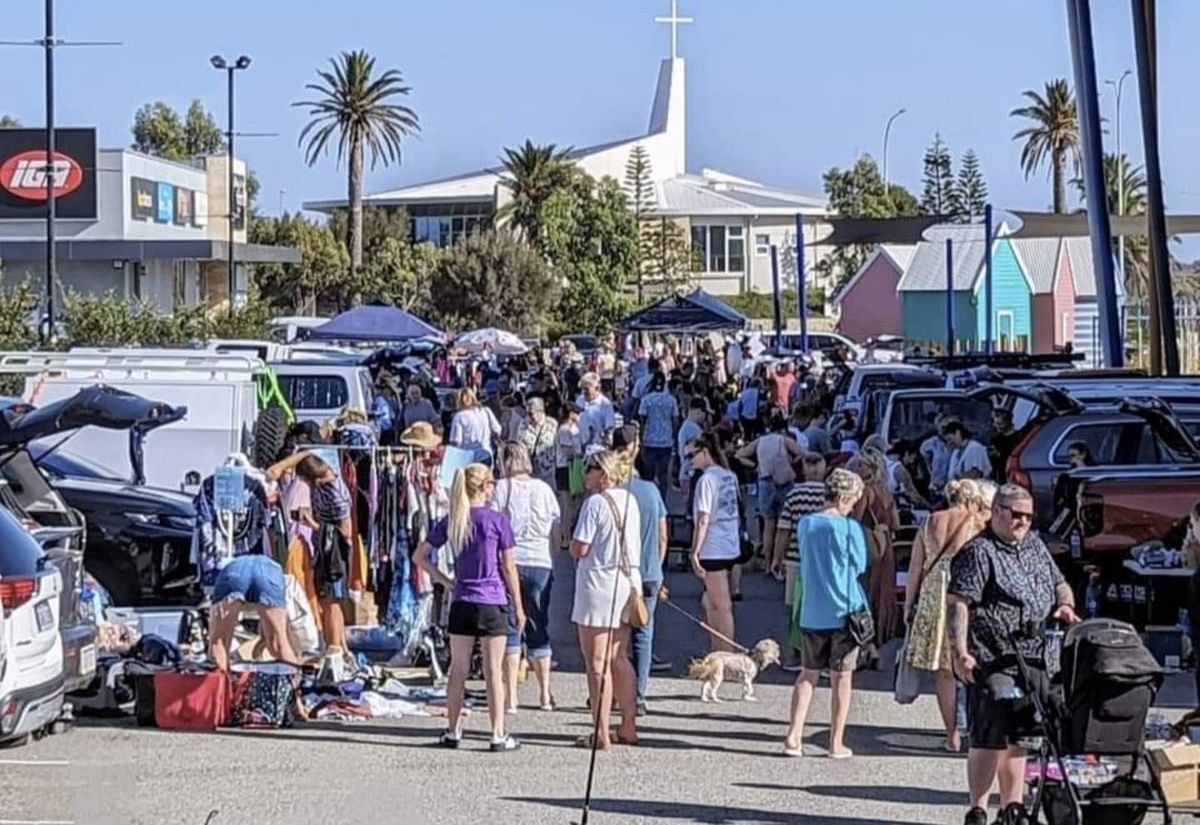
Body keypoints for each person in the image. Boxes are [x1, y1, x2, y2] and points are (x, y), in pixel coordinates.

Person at [948, 485, 1080, 825]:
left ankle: (1013, 808)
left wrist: (1065, 604)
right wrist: (959, 651)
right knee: (989, 736)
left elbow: (1059, 582)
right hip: (993, 655)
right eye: (1016, 514)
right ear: (997, 511)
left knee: (1021, 735)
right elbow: (959, 604)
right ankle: (977, 809)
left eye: (1028, 515)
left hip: (1034, 656)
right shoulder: (979, 552)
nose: (1023, 521)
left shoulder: (1035, 545)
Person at [414, 463, 526, 752]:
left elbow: (420, 556)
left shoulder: (454, 519)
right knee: (493, 671)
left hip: (462, 598)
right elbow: (509, 566)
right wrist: (519, 605)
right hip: (492, 599)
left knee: (458, 669)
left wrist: (445, 581)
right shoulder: (497, 521)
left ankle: (453, 730)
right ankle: (497, 733)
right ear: (485, 486)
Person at [782, 468, 869, 759]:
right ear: (844, 498)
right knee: (842, 677)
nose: (855, 505)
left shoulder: (806, 524)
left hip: (811, 610)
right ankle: (835, 742)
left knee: (808, 675)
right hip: (845, 611)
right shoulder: (849, 528)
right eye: (854, 499)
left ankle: (794, 736)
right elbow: (859, 566)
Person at [904, 479, 996, 753]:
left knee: (944, 673)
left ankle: (952, 735)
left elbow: (915, 567)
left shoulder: (930, 521)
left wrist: (910, 604)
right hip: (962, 596)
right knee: (968, 663)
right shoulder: (975, 524)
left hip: (933, 597)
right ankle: (976, 729)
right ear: (971, 501)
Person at [570, 449, 642, 750]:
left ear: (602, 474)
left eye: (589, 468)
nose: (584, 474)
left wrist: (571, 545)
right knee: (618, 656)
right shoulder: (630, 499)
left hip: (598, 584)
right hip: (627, 581)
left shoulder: (595, 504)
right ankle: (628, 724)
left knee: (596, 663)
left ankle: (600, 732)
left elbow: (580, 548)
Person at [491, 443, 560, 713]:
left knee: (510, 625)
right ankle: (544, 694)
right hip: (541, 561)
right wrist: (552, 558)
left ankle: (511, 697)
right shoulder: (544, 489)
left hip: (511, 560)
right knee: (538, 624)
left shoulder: (501, 488)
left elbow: (495, 526)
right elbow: (555, 528)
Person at [266, 452, 353, 654]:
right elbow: (308, 454)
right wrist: (297, 458)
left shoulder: (334, 492)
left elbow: (346, 531)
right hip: (327, 550)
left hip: (335, 553)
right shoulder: (326, 482)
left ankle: (334, 648)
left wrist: (312, 524)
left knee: (331, 601)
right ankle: (340, 648)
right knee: (330, 600)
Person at [612, 425, 670, 715]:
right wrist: (658, 568)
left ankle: (614, 693)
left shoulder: (616, 494)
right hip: (649, 572)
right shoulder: (652, 492)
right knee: (644, 635)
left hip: (622, 573)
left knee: (619, 635)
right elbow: (662, 535)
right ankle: (639, 694)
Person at [686, 431, 741, 652]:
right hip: (729, 541)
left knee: (721, 604)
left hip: (713, 546)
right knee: (710, 601)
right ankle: (717, 649)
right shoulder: (728, 475)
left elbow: (703, 519)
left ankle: (726, 654)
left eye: (691, 456)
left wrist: (694, 551)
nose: (689, 461)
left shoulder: (706, 480)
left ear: (705, 452)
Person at [736, 412, 804, 573]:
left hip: (765, 481)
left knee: (768, 524)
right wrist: (792, 462)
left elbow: (739, 455)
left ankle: (767, 563)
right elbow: (802, 453)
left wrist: (754, 466)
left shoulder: (760, 442)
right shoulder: (784, 440)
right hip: (784, 483)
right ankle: (778, 562)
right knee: (784, 524)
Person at [208, 554, 300, 671]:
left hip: (233, 571)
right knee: (279, 643)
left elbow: (215, 644)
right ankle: (292, 685)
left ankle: (224, 686)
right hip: (269, 571)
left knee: (219, 643)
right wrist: (266, 640)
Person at [852, 447, 901, 647]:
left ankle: (867, 641)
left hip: (868, 543)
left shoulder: (865, 491)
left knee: (867, 590)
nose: (857, 468)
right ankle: (879, 639)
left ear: (871, 467)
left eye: (861, 465)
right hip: (886, 543)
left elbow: (855, 520)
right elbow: (896, 523)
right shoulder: (886, 490)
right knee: (883, 591)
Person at [638, 373, 680, 502]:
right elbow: (675, 420)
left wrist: (641, 439)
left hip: (649, 441)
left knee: (648, 474)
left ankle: (649, 499)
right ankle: (662, 500)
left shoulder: (646, 400)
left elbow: (642, 419)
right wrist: (675, 437)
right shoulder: (671, 400)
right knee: (663, 475)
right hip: (666, 442)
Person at [450, 388, 502, 465]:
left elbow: (457, 442)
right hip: (486, 453)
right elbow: (498, 430)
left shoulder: (459, 417)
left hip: (468, 457)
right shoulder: (486, 411)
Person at [520, 397, 559, 488]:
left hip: (548, 468)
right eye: (527, 413)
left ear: (540, 411)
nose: (529, 416)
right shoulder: (523, 425)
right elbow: (520, 445)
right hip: (531, 468)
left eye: (531, 413)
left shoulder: (552, 424)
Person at [677, 398, 707, 498]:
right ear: (699, 412)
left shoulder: (686, 425)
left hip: (686, 470)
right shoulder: (693, 428)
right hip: (691, 471)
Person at [577, 372, 615, 448]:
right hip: (579, 445)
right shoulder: (580, 400)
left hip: (597, 447)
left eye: (586, 389)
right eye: (582, 389)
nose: (584, 392)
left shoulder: (605, 404)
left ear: (597, 388)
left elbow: (609, 429)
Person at [922, 415, 954, 497]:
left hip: (954, 487)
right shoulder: (932, 443)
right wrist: (930, 469)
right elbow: (925, 455)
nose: (944, 430)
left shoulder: (956, 443)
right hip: (937, 487)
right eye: (942, 427)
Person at [988, 409, 1020, 483]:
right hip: (999, 476)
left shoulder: (1019, 438)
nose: (997, 427)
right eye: (995, 424)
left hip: (1012, 475)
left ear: (1008, 422)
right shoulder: (995, 439)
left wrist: (999, 454)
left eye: (1000, 424)